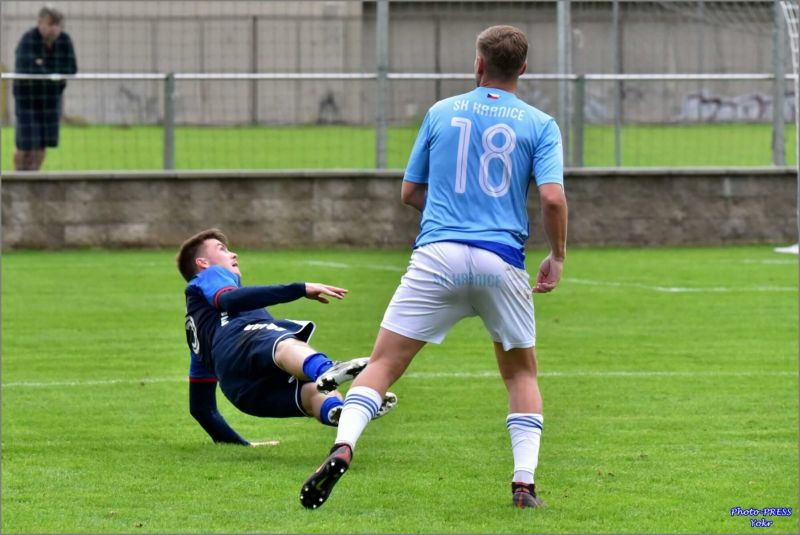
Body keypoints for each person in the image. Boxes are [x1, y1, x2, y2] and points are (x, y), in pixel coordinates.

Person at [300, 25, 567, 510]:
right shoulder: (540, 124)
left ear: (478, 63)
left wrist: (450, 208)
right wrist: (558, 254)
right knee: (520, 376)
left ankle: (344, 444)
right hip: (500, 261)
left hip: (437, 256)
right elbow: (551, 196)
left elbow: (409, 193)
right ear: (523, 69)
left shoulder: (441, 112)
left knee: (381, 366)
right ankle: (523, 485)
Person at [176, 228, 398, 445]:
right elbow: (228, 300)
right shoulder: (211, 275)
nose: (233, 254)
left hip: (241, 392)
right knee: (283, 343)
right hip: (239, 344)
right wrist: (298, 289)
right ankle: (326, 369)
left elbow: (201, 409)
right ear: (203, 263)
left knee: (310, 393)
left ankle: (339, 411)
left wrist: (243, 445)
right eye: (222, 249)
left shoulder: (198, 332)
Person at [13, 5, 78, 171]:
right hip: (27, 100)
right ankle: (18, 177)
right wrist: (54, 74)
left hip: (51, 101)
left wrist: (44, 66)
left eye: (58, 25)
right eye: (50, 24)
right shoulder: (28, 40)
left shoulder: (65, 41)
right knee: (26, 145)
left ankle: (35, 177)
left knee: (42, 144)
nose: (54, 29)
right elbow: (28, 68)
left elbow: (71, 68)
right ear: (40, 23)